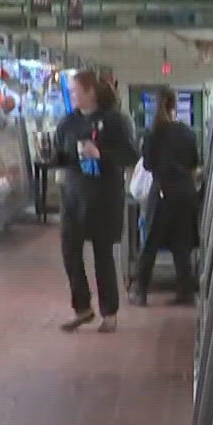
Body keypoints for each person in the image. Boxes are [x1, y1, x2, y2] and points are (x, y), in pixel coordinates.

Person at [50, 70, 137, 333]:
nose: (72, 95)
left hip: (104, 197)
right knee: (70, 251)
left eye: (76, 90)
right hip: (74, 197)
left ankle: (109, 312)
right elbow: (61, 155)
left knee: (103, 255)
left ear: (90, 92)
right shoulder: (68, 123)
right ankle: (82, 308)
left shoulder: (115, 121)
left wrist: (101, 154)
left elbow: (131, 156)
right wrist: (52, 157)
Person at [131, 88, 202, 306]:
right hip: (186, 193)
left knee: (151, 242)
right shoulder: (188, 133)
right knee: (182, 244)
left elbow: (149, 164)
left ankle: (141, 292)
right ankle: (186, 292)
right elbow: (194, 163)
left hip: (162, 192)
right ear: (175, 106)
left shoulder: (152, 134)